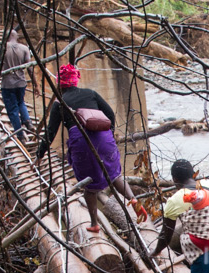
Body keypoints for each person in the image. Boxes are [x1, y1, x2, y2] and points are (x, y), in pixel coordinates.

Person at [33, 63, 138, 233]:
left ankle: (94, 224)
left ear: (60, 84)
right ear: (76, 80)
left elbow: (51, 132)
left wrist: (39, 155)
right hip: (103, 137)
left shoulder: (60, 103)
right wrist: (108, 135)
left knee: (89, 186)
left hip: (81, 143)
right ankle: (133, 199)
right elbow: (110, 115)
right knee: (115, 174)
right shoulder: (91, 94)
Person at [0, 30, 34, 137]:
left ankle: (19, 134)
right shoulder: (24, 48)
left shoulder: (2, 48)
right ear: (16, 36)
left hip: (7, 84)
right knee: (21, 103)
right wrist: (35, 84)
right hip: (21, 83)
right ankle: (27, 121)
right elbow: (30, 67)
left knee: (12, 110)